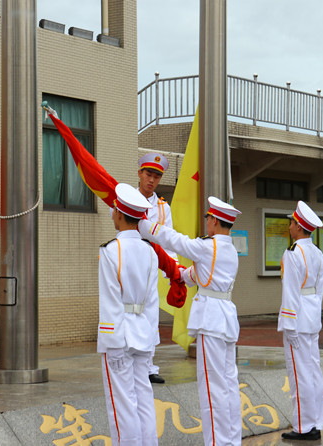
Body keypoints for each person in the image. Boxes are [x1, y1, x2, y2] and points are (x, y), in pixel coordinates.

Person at [139, 196, 242, 446]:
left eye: (208, 218)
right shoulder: (229, 249)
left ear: (215, 221)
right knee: (228, 384)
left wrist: (145, 225)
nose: (206, 222)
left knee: (212, 389)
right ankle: (231, 441)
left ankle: (217, 443)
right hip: (226, 320)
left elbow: (176, 241)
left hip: (212, 321)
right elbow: (197, 276)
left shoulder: (208, 247)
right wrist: (175, 274)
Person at [98, 183, 159, 446]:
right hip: (143, 332)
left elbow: (111, 301)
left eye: (113, 210)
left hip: (119, 335)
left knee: (122, 405)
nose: (112, 214)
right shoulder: (149, 250)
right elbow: (152, 301)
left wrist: (110, 342)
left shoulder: (111, 251)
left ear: (120, 214)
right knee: (144, 400)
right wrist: (151, 336)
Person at [279, 201, 323, 441]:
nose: (289, 226)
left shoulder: (293, 253)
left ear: (298, 226)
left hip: (296, 320)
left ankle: (302, 427)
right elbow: (319, 291)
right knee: (313, 372)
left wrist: (289, 325)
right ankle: (315, 421)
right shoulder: (318, 253)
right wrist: (314, 318)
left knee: (299, 375)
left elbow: (290, 292)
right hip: (312, 319)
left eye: (291, 222)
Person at [137, 152, 176, 384]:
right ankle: (134, 361)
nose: (152, 180)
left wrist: (172, 270)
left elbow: (168, 239)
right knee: (132, 314)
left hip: (152, 266)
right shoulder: (126, 199)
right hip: (131, 265)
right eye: (148, 174)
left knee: (151, 316)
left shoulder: (163, 208)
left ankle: (150, 365)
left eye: (156, 177)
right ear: (139, 173)